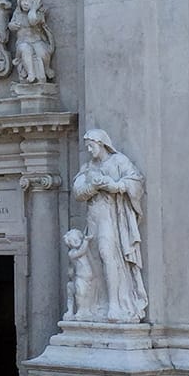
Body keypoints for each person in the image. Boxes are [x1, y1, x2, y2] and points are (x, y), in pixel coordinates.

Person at [70, 128, 148, 323]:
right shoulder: (88, 167)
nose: (89, 150)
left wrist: (116, 186)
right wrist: (94, 186)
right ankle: (95, 305)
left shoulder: (119, 161)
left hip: (112, 217)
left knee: (107, 254)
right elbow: (78, 192)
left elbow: (136, 181)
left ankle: (114, 304)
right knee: (95, 259)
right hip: (94, 218)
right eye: (87, 146)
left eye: (91, 145)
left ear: (102, 143)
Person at [9, 0, 55, 84]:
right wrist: (12, 26)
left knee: (42, 52)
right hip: (23, 42)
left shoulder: (38, 14)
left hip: (37, 41)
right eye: (24, 0)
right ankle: (30, 73)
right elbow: (10, 25)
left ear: (35, 3)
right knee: (25, 49)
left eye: (30, 1)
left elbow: (32, 21)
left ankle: (46, 68)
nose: (25, 3)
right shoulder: (17, 14)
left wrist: (33, 9)